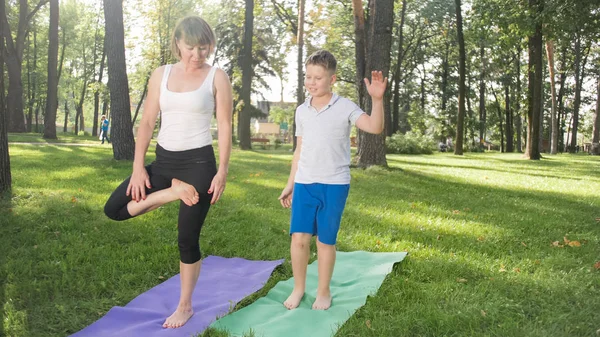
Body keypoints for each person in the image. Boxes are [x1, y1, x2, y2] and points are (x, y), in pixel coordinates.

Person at [103, 16, 232, 328]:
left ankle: (185, 305)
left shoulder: (217, 77)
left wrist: (223, 171)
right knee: (114, 209)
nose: (197, 55)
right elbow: (147, 122)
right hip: (163, 164)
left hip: (200, 164)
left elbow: (225, 125)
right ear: (178, 43)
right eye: (191, 48)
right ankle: (171, 191)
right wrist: (137, 168)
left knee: (187, 238)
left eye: (204, 48)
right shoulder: (160, 74)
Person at [278, 50, 386, 311]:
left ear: (332, 79)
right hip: (305, 183)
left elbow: (374, 127)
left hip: (334, 184)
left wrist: (377, 100)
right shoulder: (301, 111)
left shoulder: (345, 106)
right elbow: (299, 150)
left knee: (325, 240)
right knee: (298, 238)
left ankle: (323, 291)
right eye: (308, 77)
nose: (312, 82)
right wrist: (290, 183)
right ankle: (299, 288)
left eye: (318, 77)